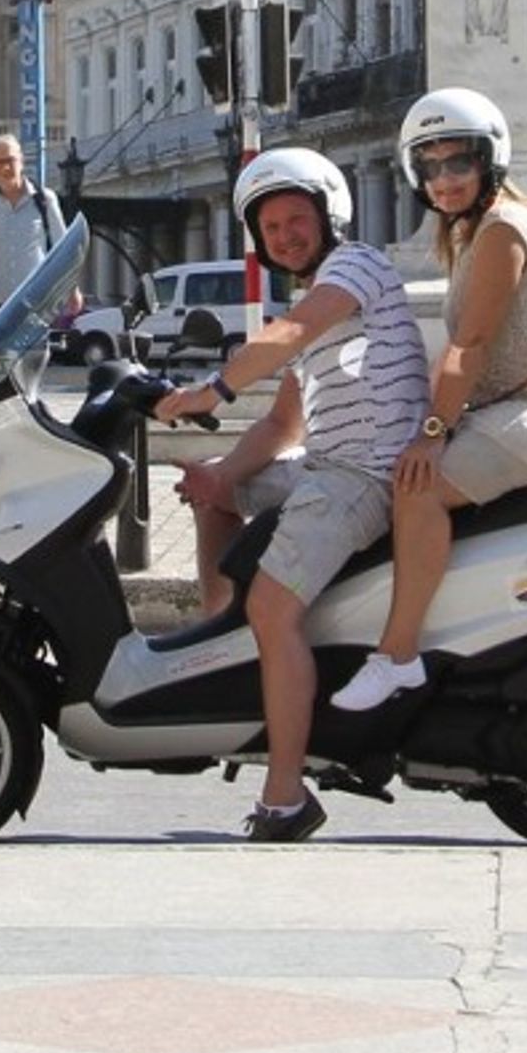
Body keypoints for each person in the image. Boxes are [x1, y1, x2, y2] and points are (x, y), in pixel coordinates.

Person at [152, 146, 429, 840]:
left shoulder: (353, 268)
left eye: (296, 220)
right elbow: (284, 422)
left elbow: (292, 334)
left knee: (274, 605)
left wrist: (211, 389)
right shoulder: (316, 292)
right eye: (270, 228)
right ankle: (225, 642)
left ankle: (285, 794)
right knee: (215, 484)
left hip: (366, 475)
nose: (284, 237)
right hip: (326, 462)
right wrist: (222, 475)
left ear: (327, 216)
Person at [334, 87, 527, 716]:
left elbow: (470, 346)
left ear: (490, 162)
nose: (443, 179)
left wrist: (430, 433)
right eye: (428, 166)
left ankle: (397, 655)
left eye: (457, 162)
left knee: (417, 486)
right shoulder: (481, 230)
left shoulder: (502, 231)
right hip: (523, 405)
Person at [0, 134, 68, 317]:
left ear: (21, 161)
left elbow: (63, 249)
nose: (5, 167)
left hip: (36, 299)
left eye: (10, 160)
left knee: (36, 347)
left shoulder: (44, 199)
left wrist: (71, 289)